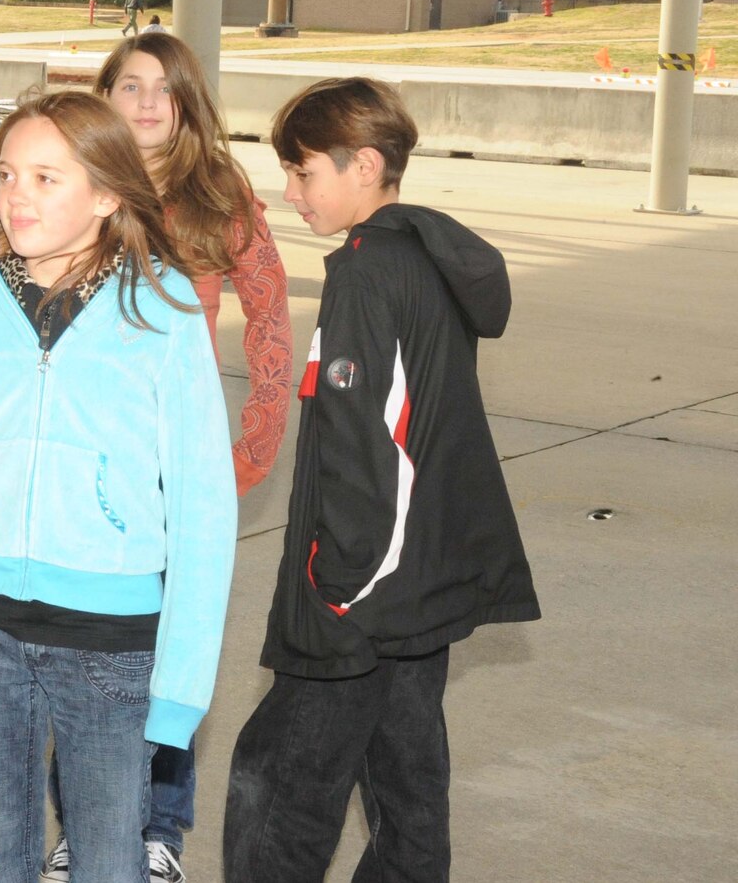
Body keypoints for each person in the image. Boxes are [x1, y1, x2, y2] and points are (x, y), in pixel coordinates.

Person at [0, 90, 237, 883]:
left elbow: (207, 503)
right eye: (7, 173)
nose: (16, 195)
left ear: (107, 194)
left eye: (46, 177)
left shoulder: (165, 308)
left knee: (110, 861)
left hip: (109, 641)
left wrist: (182, 684)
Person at [223, 77, 541, 883]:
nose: (290, 192)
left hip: (362, 600)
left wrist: (339, 587)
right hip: (419, 592)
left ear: (364, 164)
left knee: (279, 788)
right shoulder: (425, 254)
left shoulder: (366, 271)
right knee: (407, 793)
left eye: (304, 173)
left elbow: (371, 445)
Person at [33, 35, 295, 883]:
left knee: (167, 645)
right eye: (129, 85)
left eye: (164, 89)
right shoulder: (70, 184)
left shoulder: (218, 195)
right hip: (81, 463)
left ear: (187, 102)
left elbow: (270, 319)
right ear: (104, 94)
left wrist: (247, 448)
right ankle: (82, 823)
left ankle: (158, 831)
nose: (146, 103)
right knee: (79, 647)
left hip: (176, 466)